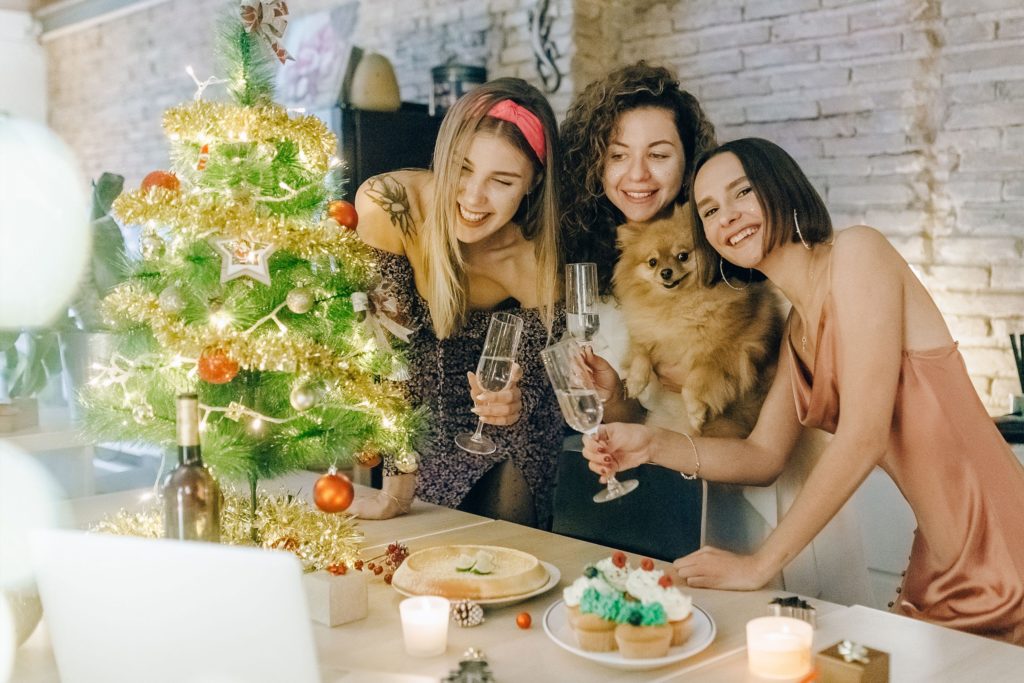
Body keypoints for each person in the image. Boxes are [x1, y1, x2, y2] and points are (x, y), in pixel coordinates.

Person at [584, 137, 1024, 644]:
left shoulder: (859, 254)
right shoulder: (797, 331)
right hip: (940, 562)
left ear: (781, 186)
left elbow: (864, 435)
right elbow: (763, 455)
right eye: (709, 210)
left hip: (1006, 553)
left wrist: (759, 564)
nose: (727, 215)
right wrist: (651, 446)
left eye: (742, 192)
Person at [560, 63, 869, 605]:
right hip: (669, 494)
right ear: (594, 164)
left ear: (688, 162)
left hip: (761, 500)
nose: (637, 174)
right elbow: (640, 416)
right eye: (617, 155)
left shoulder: (738, 249)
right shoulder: (593, 268)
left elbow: (776, 425)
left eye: (658, 154)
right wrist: (614, 399)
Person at [348, 78, 565, 527]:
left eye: (502, 181)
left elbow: (531, 388)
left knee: (502, 557)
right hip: (412, 415)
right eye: (462, 169)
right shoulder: (390, 205)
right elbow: (389, 356)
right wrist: (398, 479)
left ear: (533, 183)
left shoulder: (533, 264)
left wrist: (512, 401)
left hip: (502, 435)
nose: (472, 197)